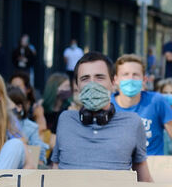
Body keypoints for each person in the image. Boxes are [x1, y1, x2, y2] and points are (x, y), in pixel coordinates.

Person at [52, 52, 152, 180]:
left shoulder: (132, 122)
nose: (92, 84)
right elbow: (55, 169)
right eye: (85, 78)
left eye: (99, 77)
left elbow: (144, 180)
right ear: (77, 85)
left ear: (113, 82)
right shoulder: (65, 119)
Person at [113, 55, 172, 157]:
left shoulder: (156, 101)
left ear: (144, 80)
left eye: (135, 75)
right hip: (119, 168)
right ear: (115, 79)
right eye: (125, 74)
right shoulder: (107, 105)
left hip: (154, 167)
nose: (130, 79)